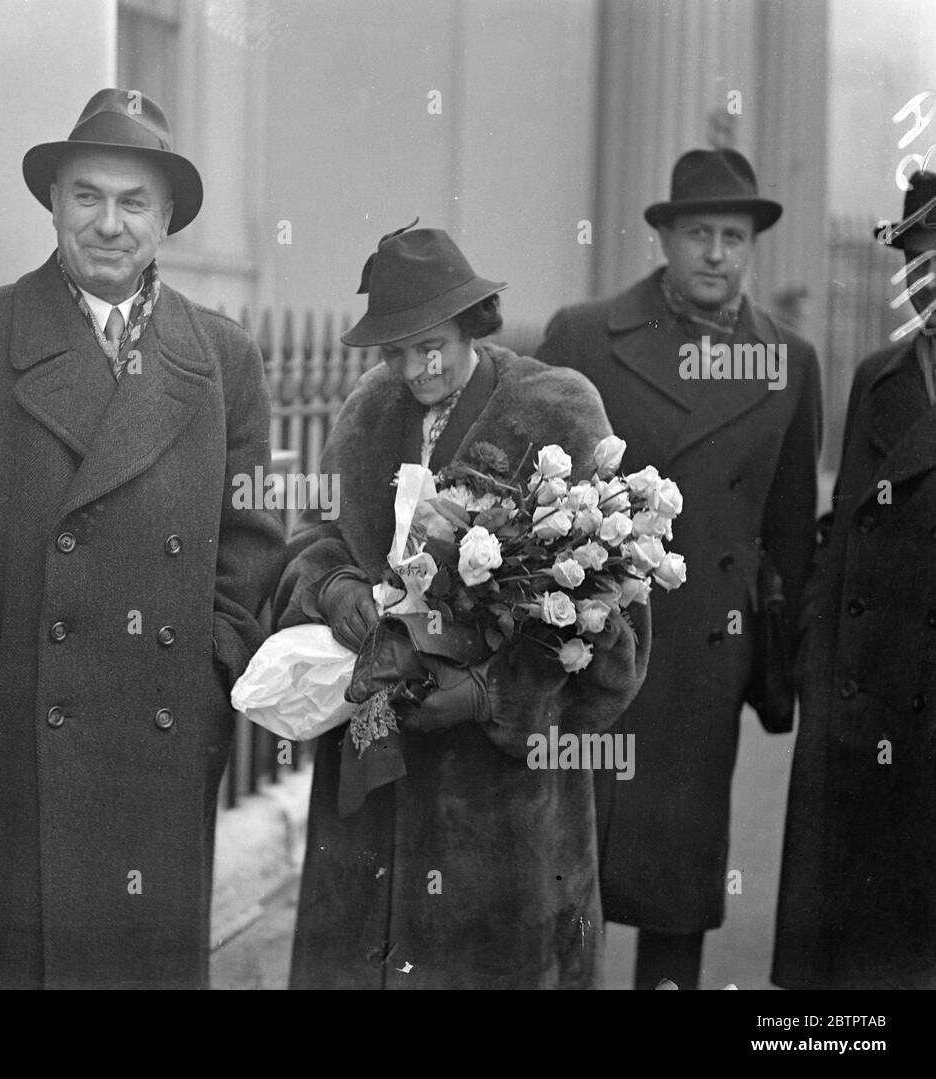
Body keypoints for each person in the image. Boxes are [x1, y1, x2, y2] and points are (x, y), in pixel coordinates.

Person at [0, 88, 283, 989]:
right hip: (7, 746)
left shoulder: (223, 359)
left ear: (166, 218)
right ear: (53, 204)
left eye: (134, 203)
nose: (109, 223)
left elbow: (251, 542)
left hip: (156, 749)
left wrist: (209, 678)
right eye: (87, 196)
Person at [274, 224, 649, 989]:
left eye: (433, 344)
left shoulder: (556, 412)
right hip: (372, 802)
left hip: (506, 824)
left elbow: (617, 637)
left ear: (475, 323)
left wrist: (489, 694)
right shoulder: (367, 414)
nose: (416, 368)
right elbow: (312, 538)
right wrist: (335, 586)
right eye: (396, 350)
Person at [535, 148, 822, 989]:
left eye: (734, 235)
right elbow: (531, 479)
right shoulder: (586, 333)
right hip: (588, 647)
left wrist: (778, 661)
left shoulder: (788, 362)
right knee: (564, 872)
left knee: (677, 888)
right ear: (664, 238)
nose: (718, 253)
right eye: (700, 232)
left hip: (707, 656)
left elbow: (791, 530)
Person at [772, 173, 936, 989]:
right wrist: (816, 655)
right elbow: (842, 531)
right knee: (854, 976)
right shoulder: (882, 378)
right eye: (917, 260)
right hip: (860, 703)